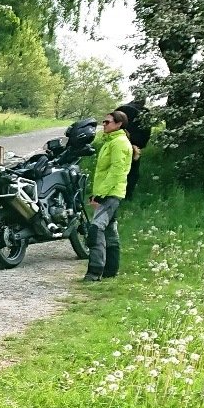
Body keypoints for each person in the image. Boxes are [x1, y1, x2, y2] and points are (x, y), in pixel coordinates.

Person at [86, 109, 134, 282]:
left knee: (96, 229)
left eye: (108, 122)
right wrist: (96, 193)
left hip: (111, 193)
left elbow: (116, 172)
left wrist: (100, 195)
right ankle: (110, 271)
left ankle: (94, 272)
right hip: (108, 191)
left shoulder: (119, 143)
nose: (104, 125)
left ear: (119, 124)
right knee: (110, 231)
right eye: (104, 122)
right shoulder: (111, 141)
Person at [118, 97, 151, 199]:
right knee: (132, 171)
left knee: (118, 168)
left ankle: (116, 192)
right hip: (134, 145)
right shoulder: (144, 113)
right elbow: (146, 131)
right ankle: (128, 195)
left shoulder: (122, 109)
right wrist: (141, 145)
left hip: (119, 143)